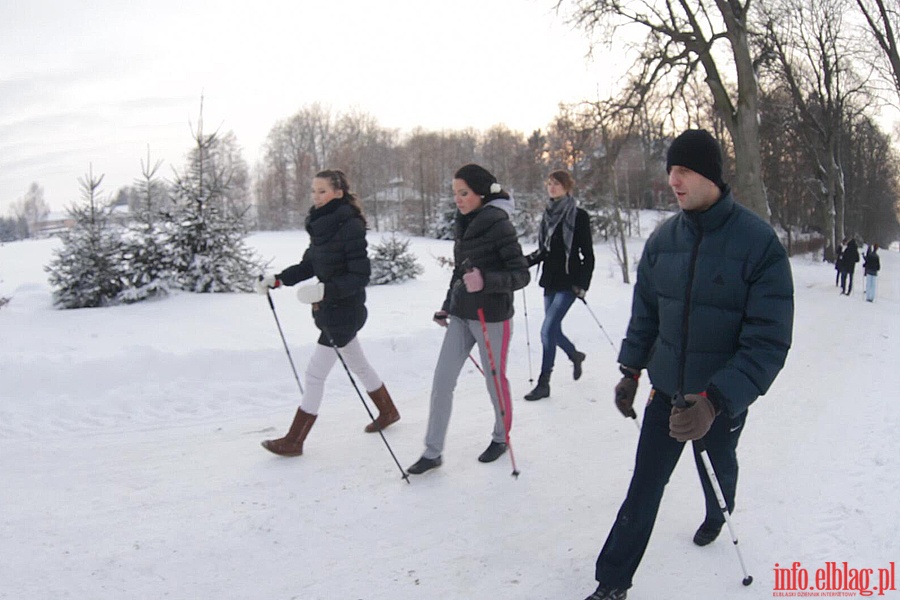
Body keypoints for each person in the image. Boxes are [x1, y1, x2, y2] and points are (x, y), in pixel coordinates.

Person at [582, 130, 794, 600]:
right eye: (670, 170)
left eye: (684, 171)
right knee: (644, 488)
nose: (672, 180)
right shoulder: (663, 241)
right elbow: (648, 315)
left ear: (711, 176)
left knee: (716, 468)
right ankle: (612, 581)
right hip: (666, 394)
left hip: (718, 401)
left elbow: (769, 341)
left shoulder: (758, 244)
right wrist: (631, 370)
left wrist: (716, 401)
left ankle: (718, 512)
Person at [255, 169, 400, 456]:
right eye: (313, 191)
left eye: (322, 191)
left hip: (344, 312)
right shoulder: (321, 226)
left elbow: (360, 275)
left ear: (338, 192)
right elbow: (309, 265)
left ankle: (294, 441)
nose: (316, 197)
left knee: (314, 374)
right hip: (331, 310)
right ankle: (388, 411)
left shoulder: (349, 226)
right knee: (358, 364)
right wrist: (279, 279)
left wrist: (325, 291)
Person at [407, 164, 530, 475]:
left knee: (494, 380)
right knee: (442, 382)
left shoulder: (500, 224)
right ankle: (433, 451)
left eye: (464, 193)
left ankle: (501, 439)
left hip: (493, 318)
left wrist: (486, 281)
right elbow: (459, 271)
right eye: (455, 194)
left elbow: (521, 274)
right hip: (462, 315)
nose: (458, 200)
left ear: (481, 193)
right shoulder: (463, 222)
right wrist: (447, 305)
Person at [523, 170, 595, 400]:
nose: (552, 187)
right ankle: (574, 355)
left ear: (567, 187)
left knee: (547, 330)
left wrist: (582, 284)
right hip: (551, 280)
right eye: (550, 183)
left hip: (569, 283)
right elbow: (545, 251)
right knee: (553, 330)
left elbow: (588, 255)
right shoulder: (547, 215)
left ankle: (544, 383)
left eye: (557, 184)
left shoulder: (579, 216)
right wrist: (524, 262)